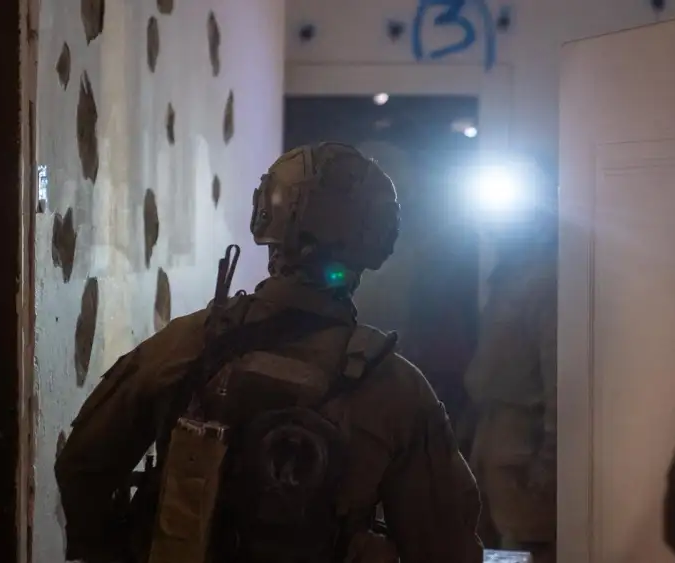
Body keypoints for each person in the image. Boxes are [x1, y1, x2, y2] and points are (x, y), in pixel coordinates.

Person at [55, 143, 484, 563]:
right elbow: (448, 546)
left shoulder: (185, 343)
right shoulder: (396, 387)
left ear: (267, 217)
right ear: (375, 240)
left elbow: (82, 466)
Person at [463, 216, 557, 563]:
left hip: (522, 449)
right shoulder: (506, 276)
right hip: (491, 439)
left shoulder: (546, 279)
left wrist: (547, 466)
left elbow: (560, 384)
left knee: (526, 545)